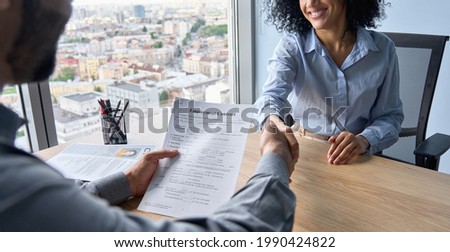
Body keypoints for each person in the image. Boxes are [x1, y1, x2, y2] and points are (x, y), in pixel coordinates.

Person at [0, 0, 298, 231]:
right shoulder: (15, 185)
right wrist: (274, 159)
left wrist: (126, 182)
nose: (68, 9)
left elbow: (56, 216)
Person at [254, 0, 404, 165]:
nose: (311, 2)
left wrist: (363, 140)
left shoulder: (383, 49)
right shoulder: (292, 46)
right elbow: (271, 96)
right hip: (305, 151)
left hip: (359, 157)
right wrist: (273, 124)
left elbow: (390, 116)